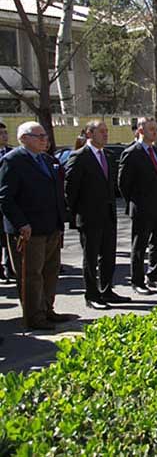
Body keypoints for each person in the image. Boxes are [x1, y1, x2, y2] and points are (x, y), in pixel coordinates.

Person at [0, 122, 69, 330]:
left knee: (50, 271)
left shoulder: (47, 160)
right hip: (29, 230)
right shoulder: (12, 161)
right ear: (23, 139)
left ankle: (47, 309)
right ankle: (34, 316)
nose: (44, 139)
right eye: (38, 136)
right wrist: (21, 223)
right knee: (31, 275)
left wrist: (61, 221)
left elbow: (56, 193)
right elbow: (5, 198)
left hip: (51, 226)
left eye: (45, 136)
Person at [65, 120, 131, 309]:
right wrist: (77, 215)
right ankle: (92, 295)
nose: (105, 134)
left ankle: (107, 290)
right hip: (88, 217)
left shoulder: (107, 156)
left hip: (108, 215)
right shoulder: (79, 157)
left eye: (106, 131)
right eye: (101, 131)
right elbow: (70, 190)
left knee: (108, 255)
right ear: (89, 134)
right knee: (91, 257)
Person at [118, 117, 157, 294]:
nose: (155, 132)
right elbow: (123, 183)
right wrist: (135, 201)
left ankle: (154, 276)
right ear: (141, 130)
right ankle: (137, 281)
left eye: (156, 129)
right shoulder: (132, 152)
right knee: (139, 246)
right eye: (151, 129)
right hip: (141, 207)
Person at [0, 122, 14, 282]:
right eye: (1, 133)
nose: (4, 136)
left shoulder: (12, 154)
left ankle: (9, 267)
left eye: (5, 132)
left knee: (8, 237)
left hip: (9, 204)